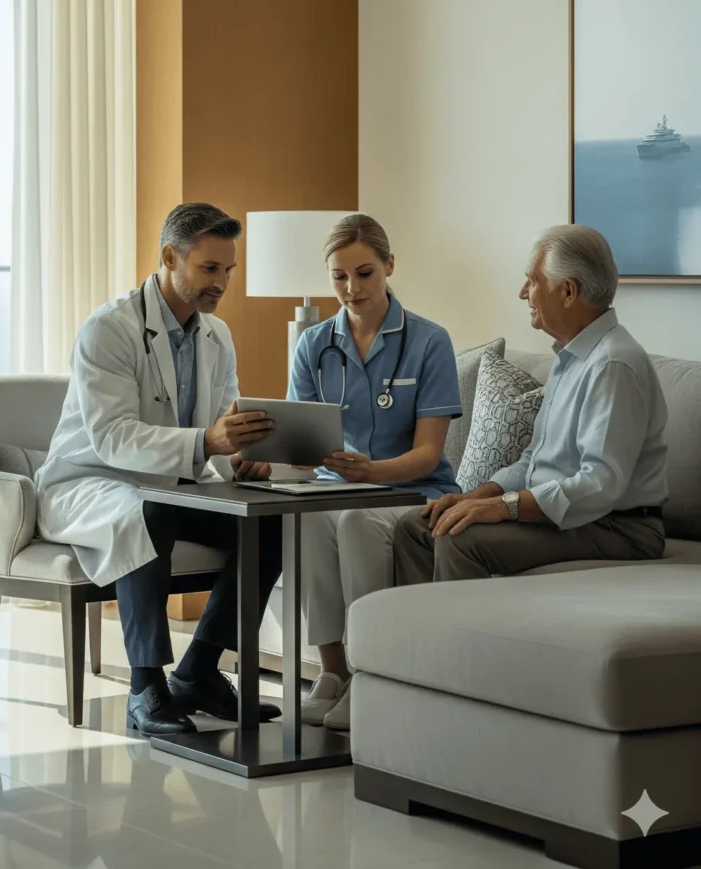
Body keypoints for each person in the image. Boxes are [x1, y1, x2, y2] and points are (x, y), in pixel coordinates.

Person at [35, 202, 283, 737]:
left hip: (173, 485)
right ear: (171, 257)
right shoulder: (110, 329)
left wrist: (238, 453)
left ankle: (198, 672)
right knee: (145, 512)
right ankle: (146, 687)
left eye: (229, 271)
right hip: (91, 481)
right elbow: (113, 437)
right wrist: (207, 441)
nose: (222, 283)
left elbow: (220, 424)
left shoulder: (217, 336)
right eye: (210, 269)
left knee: (268, 525)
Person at [393, 224, 668, 586]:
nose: (523, 293)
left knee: (459, 539)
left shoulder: (613, 364)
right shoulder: (571, 358)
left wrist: (503, 506)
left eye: (533, 281)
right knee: (416, 526)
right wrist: (472, 497)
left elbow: (600, 484)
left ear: (567, 291)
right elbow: (533, 461)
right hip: (565, 517)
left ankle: (463, 643)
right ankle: (419, 640)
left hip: (619, 527)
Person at [290, 213, 463, 731]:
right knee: (301, 518)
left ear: (389, 266)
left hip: (411, 490)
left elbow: (427, 455)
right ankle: (331, 671)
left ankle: (370, 673)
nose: (351, 288)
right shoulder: (313, 344)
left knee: (355, 521)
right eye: (339, 276)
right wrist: (274, 452)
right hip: (335, 488)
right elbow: (302, 445)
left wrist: (370, 473)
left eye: (364, 273)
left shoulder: (429, 342)